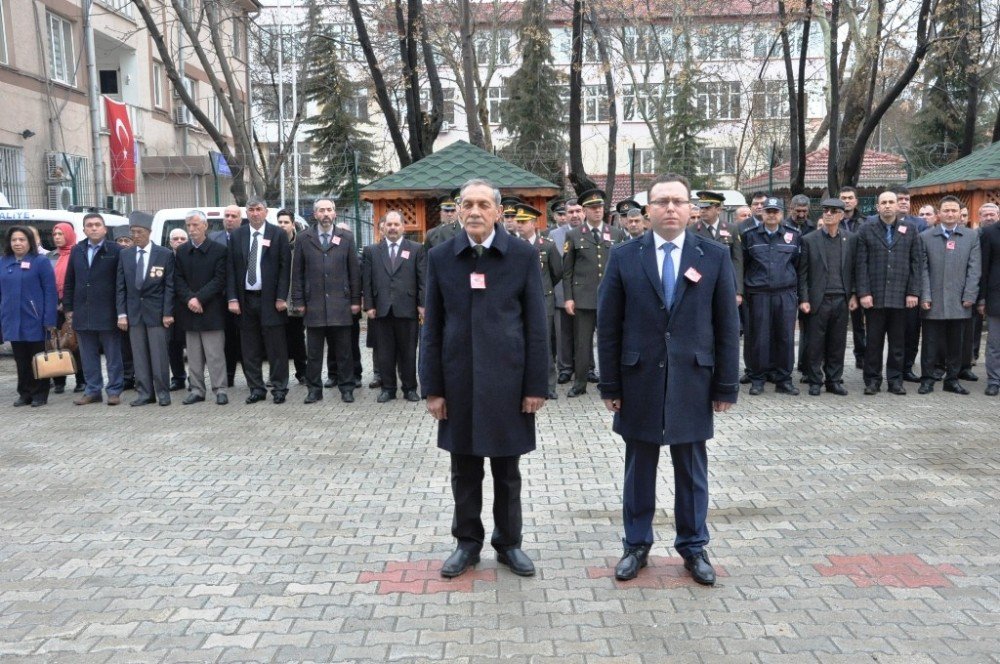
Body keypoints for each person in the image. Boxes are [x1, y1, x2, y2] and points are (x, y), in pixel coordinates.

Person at [596, 173, 739, 586]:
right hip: (638, 379)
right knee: (639, 467)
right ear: (648, 210)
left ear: (691, 208)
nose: (670, 208)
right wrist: (610, 385)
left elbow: (727, 325)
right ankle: (636, 545)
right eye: (662, 202)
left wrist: (726, 384)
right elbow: (609, 326)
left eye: (678, 201)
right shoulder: (624, 256)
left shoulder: (713, 255)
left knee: (691, 469)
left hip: (693, 380)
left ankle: (694, 546)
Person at [420, 178, 549, 579]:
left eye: (482, 204)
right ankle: (467, 544)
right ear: (458, 210)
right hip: (458, 383)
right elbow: (432, 327)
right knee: (465, 470)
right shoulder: (441, 257)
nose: (474, 211)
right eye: (467, 204)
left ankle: (509, 544)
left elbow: (536, 326)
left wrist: (535, 386)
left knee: (507, 473)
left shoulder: (522, 257)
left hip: (509, 384)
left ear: (497, 212)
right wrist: (433, 389)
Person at [292, 198, 361, 404]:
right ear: (315, 215)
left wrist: (356, 300)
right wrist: (299, 301)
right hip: (313, 305)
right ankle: (314, 390)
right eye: (321, 210)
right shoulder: (304, 238)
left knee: (344, 352)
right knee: (313, 353)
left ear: (334, 214)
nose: (325, 214)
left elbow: (354, 272)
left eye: (329, 210)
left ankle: (346, 388)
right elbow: (297, 274)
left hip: (341, 304)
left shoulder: (346, 237)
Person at [855, 190, 922, 395]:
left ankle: (895, 381)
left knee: (898, 343)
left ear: (897, 205)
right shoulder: (866, 229)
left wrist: (913, 292)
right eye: (883, 202)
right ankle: (872, 381)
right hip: (874, 297)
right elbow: (861, 264)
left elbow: (916, 262)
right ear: (877, 207)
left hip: (901, 297)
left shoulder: (910, 229)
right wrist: (864, 293)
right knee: (873, 343)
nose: (887, 205)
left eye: (891, 202)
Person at [562, 188, 628, 397]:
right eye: (593, 208)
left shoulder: (616, 233)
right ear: (584, 211)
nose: (597, 211)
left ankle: (611, 382)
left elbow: (623, 269)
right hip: (583, 299)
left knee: (610, 341)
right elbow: (567, 272)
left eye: (600, 207)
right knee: (582, 345)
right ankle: (580, 384)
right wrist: (569, 298)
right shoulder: (573, 234)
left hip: (610, 299)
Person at [227, 197, 292, 404]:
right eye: (251, 210)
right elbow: (231, 269)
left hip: (271, 300)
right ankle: (256, 388)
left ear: (265, 212)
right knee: (250, 348)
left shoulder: (278, 234)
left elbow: (284, 269)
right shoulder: (237, 235)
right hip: (246, 300)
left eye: (258, 209)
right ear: (246, 213)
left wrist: (282, 297)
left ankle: (280, 388)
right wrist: (233, 298)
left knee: (276, 348)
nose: (255, 213)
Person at [917, 196, 981, 395]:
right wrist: (925, 295)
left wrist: (970, 295)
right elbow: (922, 270)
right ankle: (927, 379)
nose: (951, 214)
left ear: (960, 214)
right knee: (930, 343)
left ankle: (951, 380)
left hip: (960, 301)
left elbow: (974, 268)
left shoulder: (971, 237)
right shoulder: (926, 237)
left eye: (954, 210)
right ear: (939, 214)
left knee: (956, 344)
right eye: (946, 210)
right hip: (933, 300)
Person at [362, 210, 425, 403]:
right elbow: (367, 281)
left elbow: (423, 279)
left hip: (407, 308)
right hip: (381, 309)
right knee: (385, 352)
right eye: (389, 224)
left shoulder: (416, 249)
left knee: (408, 351)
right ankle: (388, 389)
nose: (392, 228)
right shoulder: (372, 251)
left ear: (403, 228)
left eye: (396, 225)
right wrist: (369, 306)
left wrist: (423, 304)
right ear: (383, 227)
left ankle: (410, 388)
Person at [797, 199, 858, 396]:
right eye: (825, 210)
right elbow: (803, 274)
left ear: (841, 215)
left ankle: (834, 380)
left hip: (841, 298)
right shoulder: (809, 239)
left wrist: (854, 294)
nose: (828, 214)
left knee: (837, 343)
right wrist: (804, 299)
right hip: (818, 300)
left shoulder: (851, 239)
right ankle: (815, 381)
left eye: (833, 211)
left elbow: (855, 270)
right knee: (815, 343)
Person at [742, 197, 802, 395]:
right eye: (768, 211)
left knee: (785, 337)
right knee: (760, 338)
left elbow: (798, 265)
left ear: (782, 214)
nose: (771, 214)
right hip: (758, 294)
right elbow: (743, 265)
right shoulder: (749, 236)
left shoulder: (793, 236)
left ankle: (783, 379)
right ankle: (757, 379)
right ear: (762, 213)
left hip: (785, 294)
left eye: (775, 211)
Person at [115, 211, 175, 407]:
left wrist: (167, 312)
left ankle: (163, 392)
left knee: (159, 356)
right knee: (139, 355)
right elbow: (121, 286)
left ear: (149, 232)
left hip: (156, 313)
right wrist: (122, 314)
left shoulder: (164, 254)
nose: (135, 235)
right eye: (133, 231)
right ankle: (144, 393)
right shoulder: (125, 254)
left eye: (139, 231)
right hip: (134, 314)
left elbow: (169, 286)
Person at [64, 213, 124, 405]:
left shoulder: (116, 250)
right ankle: (93, 390)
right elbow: (69, 281)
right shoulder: (77, 250)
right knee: (87, 355)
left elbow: (121, 283)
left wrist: (121, 311)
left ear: (105, 229)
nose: (94, 228)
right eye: (89, 225)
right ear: (84, 230)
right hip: (83, 311)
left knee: (113, 355)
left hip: (108, 311)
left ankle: (114, 390)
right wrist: (69, 308)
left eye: (98, 224)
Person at [175, 210, 229, 405]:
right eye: (188, 225)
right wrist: (190, 299)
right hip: (189, 310)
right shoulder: (181, 251)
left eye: (195, 225)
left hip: (211, 310)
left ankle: (220, 389)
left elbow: (219, 279)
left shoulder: (219, 250)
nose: (191, 229)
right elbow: (178, 279)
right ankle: (197, 390)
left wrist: (199, 299)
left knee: (215, 355)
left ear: (205, 226)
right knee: (194, 356)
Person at [0, 226, 58, 407]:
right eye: (14, 240)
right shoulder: (4, 262)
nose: (17, 243)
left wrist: (49, 320)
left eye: (22, 239)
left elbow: (50, 292)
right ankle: (24, 393)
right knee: (20, 359)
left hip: (35, 318)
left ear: (30, 242)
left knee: (38, 358)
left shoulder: (40, 262)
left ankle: (40, 393)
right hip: (12, 318)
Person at [514, 202, 563, 399]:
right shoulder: (513, 245)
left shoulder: (547, 246)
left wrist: (544, 288)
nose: (519, 225)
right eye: (518, 221)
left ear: (534, 223)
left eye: (524, 221)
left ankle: (549, 385)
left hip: (543, 300)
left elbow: (557, 272)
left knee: (544, 343)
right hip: (517, 302)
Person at [549, 197, 584, 385]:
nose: (575, 215)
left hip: (585, 292)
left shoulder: (590, 233)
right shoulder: (553, 235)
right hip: (561, 290)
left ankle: (585, 368)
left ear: (583, 212)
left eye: (578, 211)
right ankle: (564, 368)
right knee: (563, 333)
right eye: (570, 212)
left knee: (583, 333)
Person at [48, 222, 85, 394]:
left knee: (75, 343)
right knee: (55, 342)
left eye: (60, 234)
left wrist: (68, 302)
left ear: (69, 235)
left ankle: (81, 380)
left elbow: (78, 281)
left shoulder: (77, 254)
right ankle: (59, 380)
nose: (57, 237)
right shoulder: (51, 257)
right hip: (53, 306)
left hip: (72, 306)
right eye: (55, 234)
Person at [211, 204, 244, 387]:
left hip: (244, 298)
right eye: (227, 215)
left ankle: (251, 378)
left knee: (246, 340)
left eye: (233, 216)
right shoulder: (214, 239)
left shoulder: (246, 237)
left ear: (240, 219)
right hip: (220, 299)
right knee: (226, 340)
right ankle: (228, 376)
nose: (229, 219)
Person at [276, 209, 307, 385]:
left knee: (297, 339)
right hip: (278, 301)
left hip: (295, 301)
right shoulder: (273, 243)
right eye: (279, 222)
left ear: (292, 224)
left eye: (285, 222)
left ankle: (302, 373)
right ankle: (280, 376)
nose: (282, 225)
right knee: (278, 342)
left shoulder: (301, 243)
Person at [980, 205, 1000, 396]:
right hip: (996, 297)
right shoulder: (989, 233)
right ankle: (994, 380)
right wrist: (982, 298)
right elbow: (984, 268)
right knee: (995, 344)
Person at [167, 228, 189, 391]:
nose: (179, 241)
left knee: (193, 346)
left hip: (189, 308)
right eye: (176, 239)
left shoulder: (191, 257)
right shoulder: (165, 258)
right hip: (171, 310)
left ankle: (195, 378)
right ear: (170, 242)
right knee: (173, 346)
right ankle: (178, 378)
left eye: (183, 238)